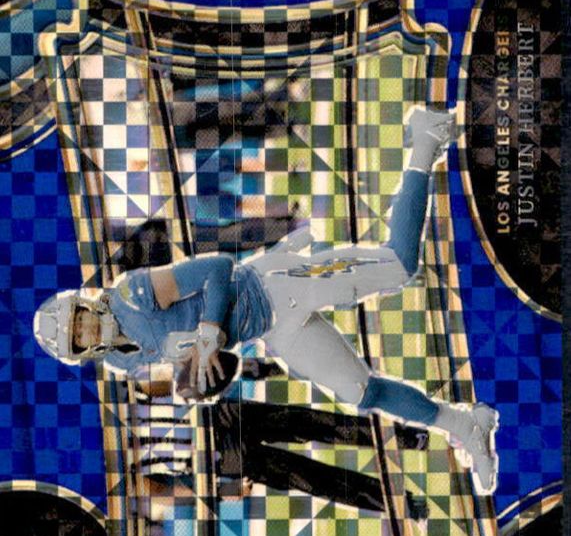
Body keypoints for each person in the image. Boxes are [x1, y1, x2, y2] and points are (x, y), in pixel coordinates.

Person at [34, 108, 499, 495]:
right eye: (79, 338)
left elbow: (218, 269)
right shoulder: (119, 360)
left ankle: (426, 138)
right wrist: (197, 377)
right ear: (81, 352)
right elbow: (193, 350)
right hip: (271, 330)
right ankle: (464, 424)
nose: (88, 330)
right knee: (361, 393)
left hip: (273, 285)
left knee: (398, 265)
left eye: (80, 320)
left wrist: (209, 334)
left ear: (84, 304)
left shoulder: (132, 296)